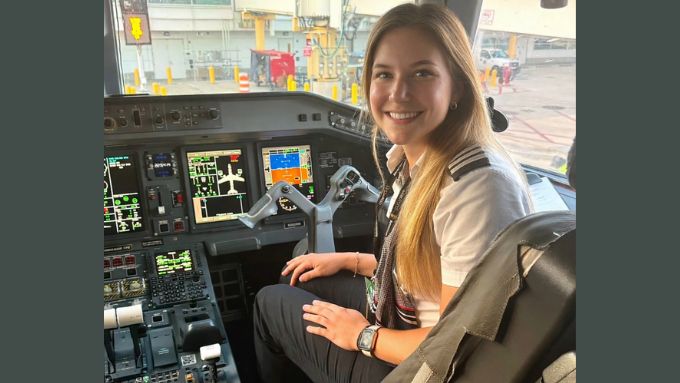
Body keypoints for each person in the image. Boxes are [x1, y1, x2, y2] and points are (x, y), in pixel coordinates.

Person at [252, 3, 533, 382]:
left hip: (428, 368)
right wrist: (352, 260)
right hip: (413, 321)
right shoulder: (422, 159)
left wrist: (362, 336)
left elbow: (459, 346)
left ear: (458, 87)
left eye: (422, 73)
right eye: (384, 74)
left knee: (270, 304)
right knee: (301, 279)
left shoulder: (476, 188)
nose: (398, 93)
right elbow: (428, 274)